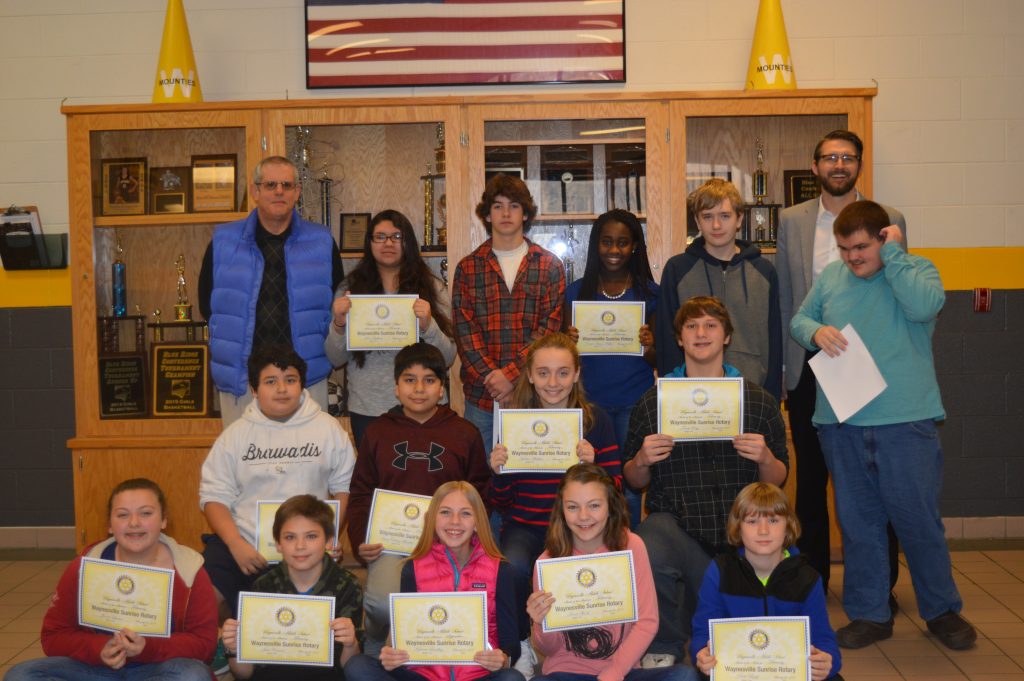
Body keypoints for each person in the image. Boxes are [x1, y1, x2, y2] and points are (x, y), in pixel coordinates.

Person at [790, 199, 975, 651]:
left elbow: (924, 308)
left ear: (884, 238)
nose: (852, 257)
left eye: (861, 248)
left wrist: (894, 255)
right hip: (841, 423)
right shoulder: (831, 278)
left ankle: (942, 611)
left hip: (904, 422)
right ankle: (870, 614)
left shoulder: (915, 271)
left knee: (918, 522)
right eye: (844, 249)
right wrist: (815, 332)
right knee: (858, 525)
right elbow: (799, 319)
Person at [623, 296, 788, 667]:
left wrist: (765, 458)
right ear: (679, 338)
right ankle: (663, 647)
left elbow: (779, 480)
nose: (701, 333)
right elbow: (633, 480)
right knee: (648, 541)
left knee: (742, 646)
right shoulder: (653, 402)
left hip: (743, 537)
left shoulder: (757, 401)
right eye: (691, 326)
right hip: (678, 531)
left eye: (711, 325)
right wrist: (642, 460)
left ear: (727, 336)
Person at [776, 129, 908, 596]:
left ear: (859, 165)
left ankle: (879, 586)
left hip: (867, 364)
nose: (838, 165)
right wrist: (787, 370)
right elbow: (787, 297)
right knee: (812, 480)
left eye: (847, 157)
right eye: (830, 157)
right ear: (815, 167)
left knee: (872, 480)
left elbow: (900, 290)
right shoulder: (791, 220)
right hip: (812, 361)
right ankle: (814, 582)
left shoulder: (889, 218)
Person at [488, 332, 621, 675]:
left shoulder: (594, 421)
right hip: (526, 526)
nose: (553, 382)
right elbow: (501, 502)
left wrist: (595, 467)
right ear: (530, 376)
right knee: (513, 567)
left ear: (576, 374)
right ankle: (521, 644)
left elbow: (617, 489)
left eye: (563, 373)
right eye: (543, 372)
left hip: (582, 529)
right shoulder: (514, 423)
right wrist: (499, 473)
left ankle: (594, 646)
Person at [347, 342, 490, 657]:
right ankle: (376, 642)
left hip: (449, 542)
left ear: (442, 388)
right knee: (382, 604)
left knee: (443, 608)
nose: (419, 389)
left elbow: (479, 491)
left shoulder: (464, 433)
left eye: (429, 380)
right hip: (391, 544)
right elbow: (361, 492)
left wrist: (469, 537)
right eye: (409, 380)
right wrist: (360, 539)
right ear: (396, 387)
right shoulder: (378, 432)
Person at [198, 344, 356, 624]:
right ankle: (223, 643)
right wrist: (236, 544)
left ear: (301, 385)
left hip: (305, 545)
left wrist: (329, 537)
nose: (282, 389)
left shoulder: (328, 429)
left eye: (290, 380)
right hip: (245, 542)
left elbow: (344, 487)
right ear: (254, 389)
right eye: (270, 381)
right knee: (206, 596)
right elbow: (213, 497)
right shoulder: (235, 435)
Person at [5, 479, 216, 681]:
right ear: (109, 525)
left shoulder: (190, 570)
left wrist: (148, 647)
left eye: (146, 513)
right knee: (20, 675)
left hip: (159, 668)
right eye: (123, 515)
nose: (134, 523)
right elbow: (53, 637)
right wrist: (99, 648)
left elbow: (205, 645)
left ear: (163, 520)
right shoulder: (85, 566)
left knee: (193, 676)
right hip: (94, 668)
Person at [199, 155, 344, 424]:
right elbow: (207, 304)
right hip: (243, 381)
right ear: (255, 191)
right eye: (270, 185)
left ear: (297, 192)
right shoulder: (224, 241)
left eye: (287, 185)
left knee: (308, 452)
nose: (279, 191)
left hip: (306, 380)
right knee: (245, 452)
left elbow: (336, 304)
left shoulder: (321, 241)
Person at [526, 463, 696, 681]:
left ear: (610, 506)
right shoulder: (548, 562)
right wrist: (541, 622)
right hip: (567, 674)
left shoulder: (631, 546)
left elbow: (647, 621)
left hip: (622, 672)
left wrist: (615, 671)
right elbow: (549, 649)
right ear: (561, 510)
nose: (584, 516)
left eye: (594, 505)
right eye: (573, 507)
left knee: (684, 675)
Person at [344, 481, 524, 681]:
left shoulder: (501, 570)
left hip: (478, 676)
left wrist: (503, 659)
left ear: (477, 522)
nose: (454, 521)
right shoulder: (413, 569)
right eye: (445, 512)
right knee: (358, 666)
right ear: (432, 519)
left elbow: (511, 643)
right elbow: (405, 635)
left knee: (511, 678)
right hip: (424, 676)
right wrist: (393, 655)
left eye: (465, 513)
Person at [325, 209, 456, 447]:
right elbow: (335, 358)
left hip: (424, 405)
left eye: (397, 236)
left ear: (408, 242)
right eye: (380, 237)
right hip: (368, 408)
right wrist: (339, 325)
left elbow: (448, 358)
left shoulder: (433, 288)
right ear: (370, 242)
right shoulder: (349, 289)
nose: (388, 243)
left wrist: (429, 326)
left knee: (425, 470)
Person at [453, 174, 566, 449]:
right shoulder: (468, 268)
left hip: (534, 394)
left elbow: (549, 331)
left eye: (514, 206)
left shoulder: (549, 266)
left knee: (532, 470)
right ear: (487, 215)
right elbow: (465, 333)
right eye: (498, 206)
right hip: (482, 396)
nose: (506, 213)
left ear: (525, 213)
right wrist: (495, 380)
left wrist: (511, 376)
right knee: (479, 473)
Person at [564, 209, 658, 528]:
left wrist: (650, 346)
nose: (614, 250)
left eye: (622, 242)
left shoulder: (651, 293)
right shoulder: (575, 293)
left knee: (629, 486)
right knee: (590, 482)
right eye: (606, 242)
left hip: (634, 402)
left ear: (635, 246)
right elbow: (563, 360)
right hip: (589, 404)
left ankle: (626, 548)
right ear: (596, 245)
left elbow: (662, 359)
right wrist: (568, 342)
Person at [691, 482, 841, 681]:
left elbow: (823, 639)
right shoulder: (719, 571)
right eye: (752, 521)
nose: (763, 531)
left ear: (788, 526)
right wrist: (702, 654)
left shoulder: (808, 578)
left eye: (773, 520)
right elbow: (702, 633)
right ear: (738, 527)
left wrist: (827, 661)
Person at [655, 178, 781, 400]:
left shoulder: (764, 271)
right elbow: (667, 337)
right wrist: (674, 391)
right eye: (707, 217)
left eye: (724, 216)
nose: (716, 225)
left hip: (751, 391)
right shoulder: (677, 269)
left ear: (739, 219)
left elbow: (774, 339)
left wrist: (770, 396)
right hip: (692, 395)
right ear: (697, 221)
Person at [221, 494, 363, 680]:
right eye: (290, 537)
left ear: (329, 541)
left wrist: (350, 644)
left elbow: (350, 669)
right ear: (278, 544)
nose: (300, 546)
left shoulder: (347, 586)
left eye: (311, 536)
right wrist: (234, 649)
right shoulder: (262, 587)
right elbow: (245, 674)